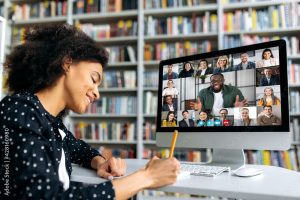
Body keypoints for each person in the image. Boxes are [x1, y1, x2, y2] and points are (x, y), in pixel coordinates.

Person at [0, 24, 180, 200]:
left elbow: (78, 148)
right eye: (94, 79)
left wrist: (100, 161)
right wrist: (147, 177)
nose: (97, 93)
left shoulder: (49, 121)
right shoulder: (19, 111)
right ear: (67, 63)